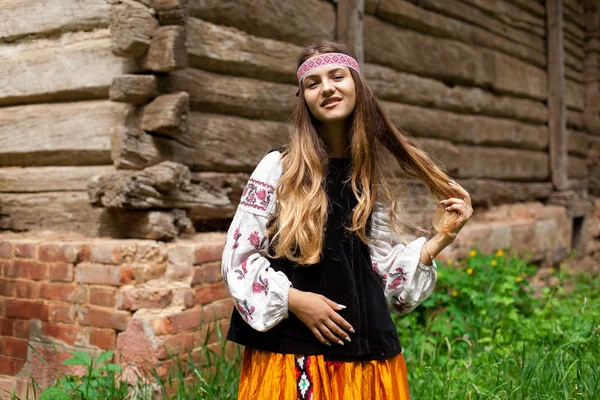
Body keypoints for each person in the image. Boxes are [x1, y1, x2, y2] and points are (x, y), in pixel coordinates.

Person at [221, 41, 473, 399]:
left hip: (366, 359)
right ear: (304, 98)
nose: (327, 87)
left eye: (337, 76)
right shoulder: (280, 169)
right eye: (313, 83)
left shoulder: (369, 178)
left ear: (356, 85)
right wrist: (295, 300)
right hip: (291, 355)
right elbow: (238, 259)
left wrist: (441, 239)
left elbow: (386, 285)